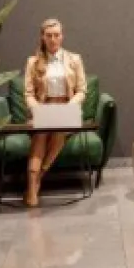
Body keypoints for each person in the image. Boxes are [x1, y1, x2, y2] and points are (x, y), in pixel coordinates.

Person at [23, 18, 87, 207]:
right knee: (40, 137)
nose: (53, 39)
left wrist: (69, 107)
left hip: (67, 108)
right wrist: (37, 110)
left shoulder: (74, 59)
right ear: (43, 37)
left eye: (56, 35)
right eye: (49, 35)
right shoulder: (33, 62)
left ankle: (36, 181)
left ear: (62, 36)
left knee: (59, 131)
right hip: (43, 108)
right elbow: (28, 94)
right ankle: (32, 187)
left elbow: (82, 91)